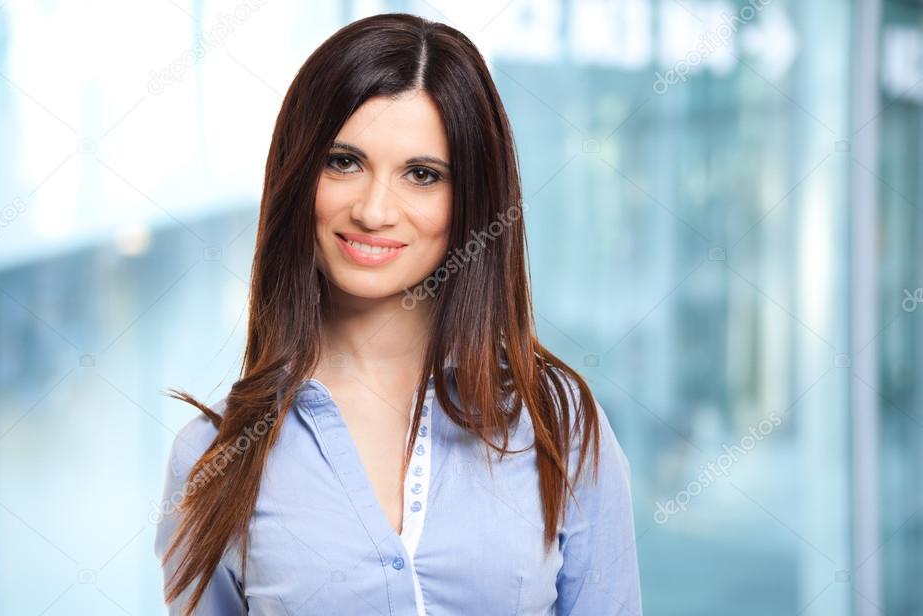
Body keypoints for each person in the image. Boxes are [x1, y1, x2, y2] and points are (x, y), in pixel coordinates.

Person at [154, 12, 641, 615]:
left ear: (472, 200)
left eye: (421, 174)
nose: (374, 210)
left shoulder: (558, 423)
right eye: (343, 162)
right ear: (298, 174)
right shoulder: (212, 459)